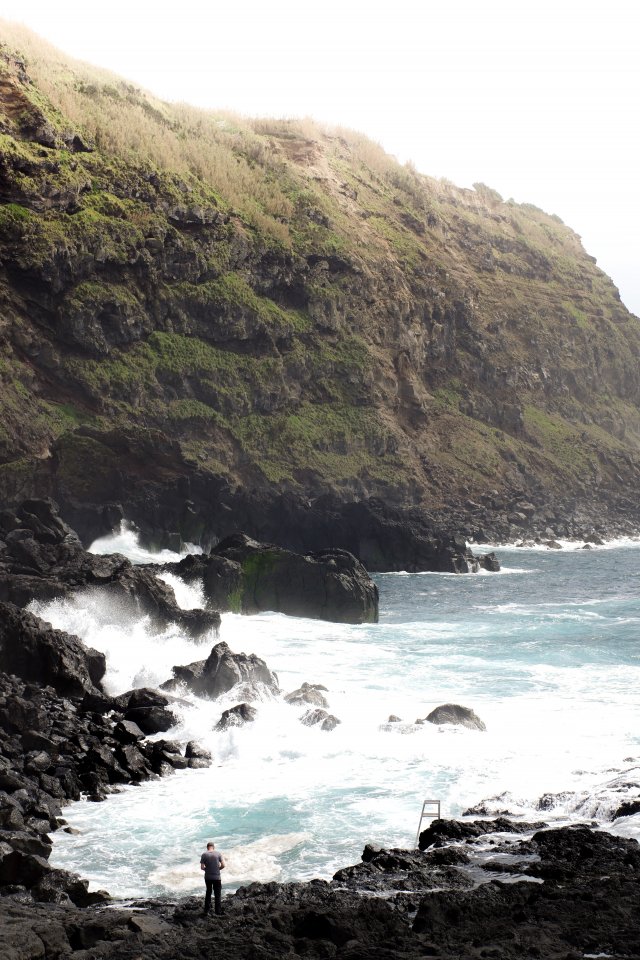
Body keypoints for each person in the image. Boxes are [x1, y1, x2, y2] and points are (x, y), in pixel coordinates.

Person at [200, 841, 225, 916]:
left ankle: (206, 911)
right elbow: (223, 865)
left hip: (208, 877)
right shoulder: (218, 854)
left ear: (207, 847)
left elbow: (202, 867)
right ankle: (218, 911)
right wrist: (218, 869)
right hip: (217, 877)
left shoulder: (204, 854)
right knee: (217, 894)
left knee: (208, 892)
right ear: (213, 847)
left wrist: (207, 870)